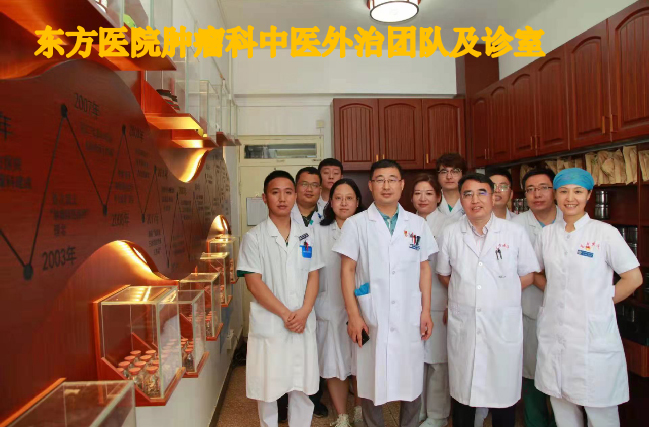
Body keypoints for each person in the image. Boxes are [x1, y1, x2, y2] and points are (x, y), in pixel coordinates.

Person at [534, 168, 643, 427]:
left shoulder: (604, 233)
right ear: (555, 195)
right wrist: (556, 295)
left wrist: (601, 302)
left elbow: (633, 278)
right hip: (555, 333)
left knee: (600, 410)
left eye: (578, 191)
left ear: (589, 195)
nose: (570, 198)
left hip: (592, 336)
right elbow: (535, 272)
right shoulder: (547, 234)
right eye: (563, 191)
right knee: (562, 405)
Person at [334, 159, 437, 427]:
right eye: (380, 180)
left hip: (409, 314)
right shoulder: (356, 224)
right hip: (371, 314)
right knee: (371, 378)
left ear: (402, 185)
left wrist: (426, 311)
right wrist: (353, 315)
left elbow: (424, 270)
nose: (386, 185)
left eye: (392, 179)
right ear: (370, 186)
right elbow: (347, 270)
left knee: (411, 379)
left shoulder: (418, 224)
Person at [436, 173, 540, 427]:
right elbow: (444, 274)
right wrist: (471, 293)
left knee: (502, 396)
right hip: (465, 326)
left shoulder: (514, 232)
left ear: (493, 197)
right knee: (464, 396)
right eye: (467, 194)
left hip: (501, 325)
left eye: (481, 193)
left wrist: (500, 292)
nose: (475, 200)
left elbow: (528, 274)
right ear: (461, 199)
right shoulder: (451, 233)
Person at [237, 170, 324, 427]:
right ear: (265, 198)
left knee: (302, 386)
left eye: (288, 192)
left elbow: (314, 275)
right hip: (272, 322)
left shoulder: (307, 235)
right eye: (275, 193)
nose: (282, 198)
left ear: (295, 196)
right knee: (268, 388)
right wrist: (287, 314)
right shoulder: (254, 238)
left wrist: (304, 311)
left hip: (302, 320)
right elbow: (254, 283)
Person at [313, 178, 366, 427]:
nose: (344, 203)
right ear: (330, 202)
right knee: (334, 363)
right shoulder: (318, 231)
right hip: (330, 306)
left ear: (358, 202)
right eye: (338, 198)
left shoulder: (368, 228)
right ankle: (342, 415)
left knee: (361, 363)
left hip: (364, 307)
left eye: (349, 198)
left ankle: (359, 411)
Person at [511, 168, 561, 427]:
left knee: (563, 375)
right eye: (530, 190)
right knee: (531, 373)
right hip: (529, 307)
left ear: (555, 191)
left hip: (567, 314)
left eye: (543, 188)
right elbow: (522, 270)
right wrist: (555, 289)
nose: (537, 194)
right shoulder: (515, 227)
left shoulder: (570, 219)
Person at [283, 166, 328, 420]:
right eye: (304, 184)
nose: (309, 189)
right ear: (296, 187)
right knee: (287, 350)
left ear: (320, 189)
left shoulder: (328, 215)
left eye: (314, 185)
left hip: (323, 290)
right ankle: (283, 401)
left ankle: (314, 399)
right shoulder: (284, 215)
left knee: (317, 350)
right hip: (290, 294)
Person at [411, 174, 451, 427]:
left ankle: (437, 414)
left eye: (428, 193)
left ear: (438, 197)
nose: (422, 198)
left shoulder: (450, 225)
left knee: (437, 362)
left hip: (439, 300)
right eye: (417, 193)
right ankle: (419, 410)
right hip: (411, 302)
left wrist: (450, 303)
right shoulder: (406, 223)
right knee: (417, 361)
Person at [436, 153, 466, 221]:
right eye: (444, 172)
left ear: (463, 175)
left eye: (455, 172)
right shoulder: (431, 199)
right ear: (438, 175)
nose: (449, 177)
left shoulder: (470, 199)